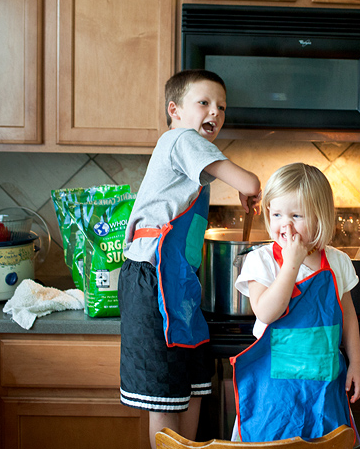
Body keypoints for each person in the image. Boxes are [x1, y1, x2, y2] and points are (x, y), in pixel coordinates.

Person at [118, 69, 261, 449]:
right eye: (204, 103)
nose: (215, 112)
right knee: (165, 392)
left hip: (177, 283)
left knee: (192, 386)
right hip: (152, 280)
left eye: (222, 107)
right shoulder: (181, 139)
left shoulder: (189, 155)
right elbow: (251, 183)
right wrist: (247, 188)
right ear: (175, 110)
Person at [231, 163, 360, 444]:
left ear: (320, 217)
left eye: (296, 215)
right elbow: (266, 311)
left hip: (323, 390)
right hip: (273, 397)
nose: (285, 225)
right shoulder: (261, 261)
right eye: (277, 214)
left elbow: (349, 317)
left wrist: (356, 362)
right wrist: (291, 264)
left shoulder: (338, 262)